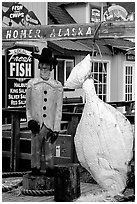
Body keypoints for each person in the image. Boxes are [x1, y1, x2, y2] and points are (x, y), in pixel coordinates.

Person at [26, 48, 63, 175]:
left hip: (49, 125)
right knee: (35, 150)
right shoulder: (31, 84)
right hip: (37, 124)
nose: (43, 70)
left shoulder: (57, 86)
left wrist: (56, 129)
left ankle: (50, 172)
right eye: (41, 67)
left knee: (49, 152)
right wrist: (30, 120)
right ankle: (34, 170)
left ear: (51, 68)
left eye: (46, 67)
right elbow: (28, 106)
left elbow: (59, 109)